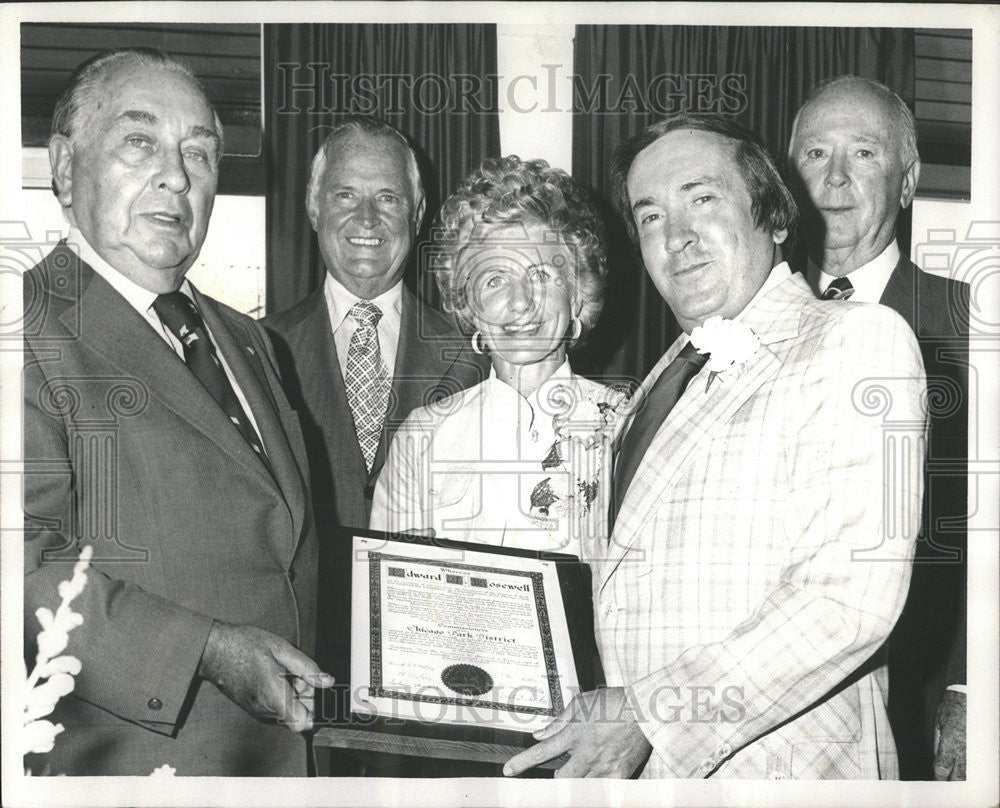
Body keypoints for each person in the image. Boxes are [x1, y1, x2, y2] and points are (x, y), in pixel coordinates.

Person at [505, 114, 927, 779]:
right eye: (649, 217)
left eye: (703, 199)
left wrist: (653, 714)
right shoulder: (656, 382)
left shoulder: (856, 339)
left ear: (774, 217)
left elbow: (849, 600)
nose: (676, 236)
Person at [23, 48, 330, 776]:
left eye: (200, 150)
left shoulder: (250, 339)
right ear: (65, 167)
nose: (177, 174)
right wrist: (207, 650)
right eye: (140, 141)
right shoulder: (22, 329)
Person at [788, 75, 970, 780]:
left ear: (907, 180)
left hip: (920, 690)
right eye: (814, 155)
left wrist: (970, 685)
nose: (833, 179)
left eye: (863, 154)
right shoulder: (741, 328)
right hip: (772, 709)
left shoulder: (970, 326)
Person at [371, 155, 624, 558]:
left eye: (540, 275)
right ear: (468, 306)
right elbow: (390, 591)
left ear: (577, 294)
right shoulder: (422, 439)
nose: (520, 303)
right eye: (495, 279)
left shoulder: (626, 429)